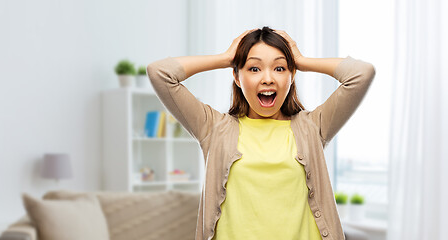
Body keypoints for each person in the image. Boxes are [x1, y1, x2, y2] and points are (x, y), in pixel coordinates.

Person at [147, 26, 375, 240]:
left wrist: (302, 61)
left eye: (280, 68)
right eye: (254, 68)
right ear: (237, 77)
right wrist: (226, 58)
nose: (268, 78)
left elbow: (361, 74)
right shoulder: (214, 128)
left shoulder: (313, 127)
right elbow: (160, 73)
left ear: (291, 76)